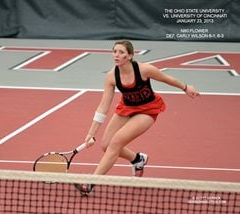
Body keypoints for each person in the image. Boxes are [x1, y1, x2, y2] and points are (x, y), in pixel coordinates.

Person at [75, 40, 200, 194]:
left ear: (130, 56)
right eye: (114, 51)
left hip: (148, 109)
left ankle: (91, 183)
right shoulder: (111, 77)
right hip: (126, 108)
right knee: (106, 145)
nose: (116, 55)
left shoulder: (144, 70)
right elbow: (103, 106)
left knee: (115, 142)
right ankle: (137, 159)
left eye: (121, 52)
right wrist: (91, 132)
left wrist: (186, 87)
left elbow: (166, 78)